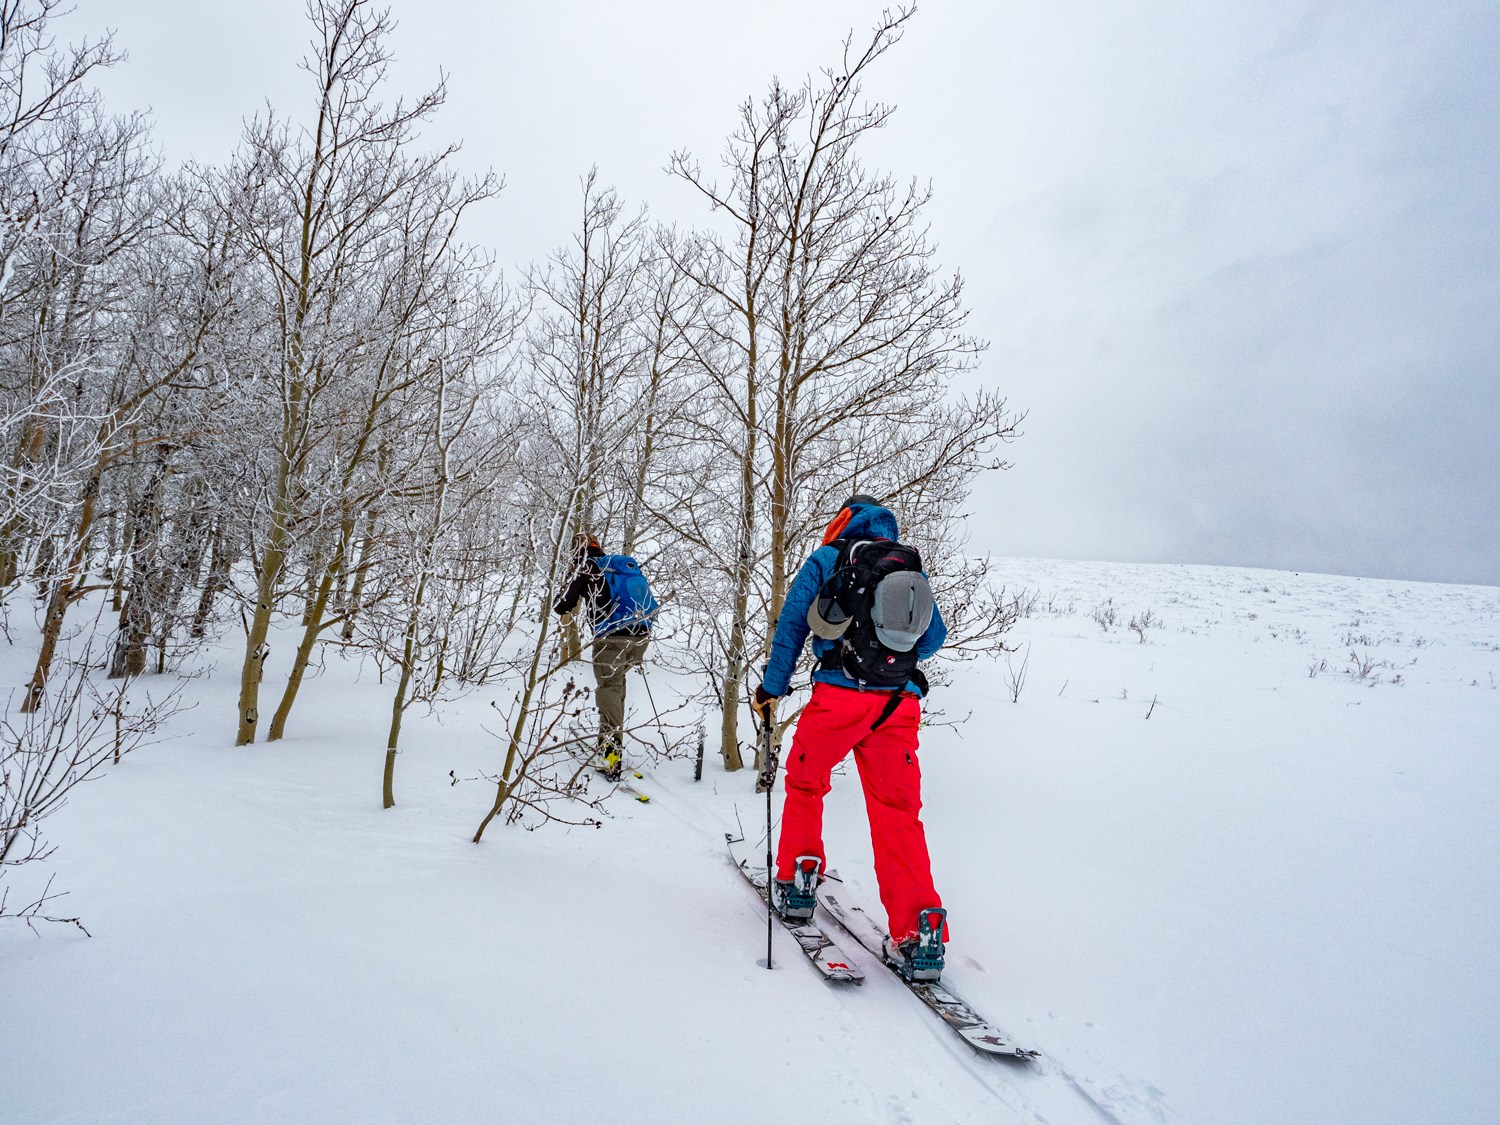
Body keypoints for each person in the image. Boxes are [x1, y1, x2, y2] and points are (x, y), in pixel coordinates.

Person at [752, 495, 950, 981]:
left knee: (805, 781)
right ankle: (919, 931)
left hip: (839, 700)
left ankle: (799, 881)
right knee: (898, 813)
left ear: (842, 520)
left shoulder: (828, 559)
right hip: (896, 706)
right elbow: (933, 639)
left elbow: (792, 627)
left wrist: (771, 689)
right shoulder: (907, 566)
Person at [554, 534, 656, 781]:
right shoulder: (616, 565)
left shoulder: (585, 567)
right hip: (641, 636)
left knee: (609, 689)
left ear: (575, 550)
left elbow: (562, 606)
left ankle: (610, 756)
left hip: (612, 638)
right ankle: (611, 742)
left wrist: (571, 577)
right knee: (616, 686)